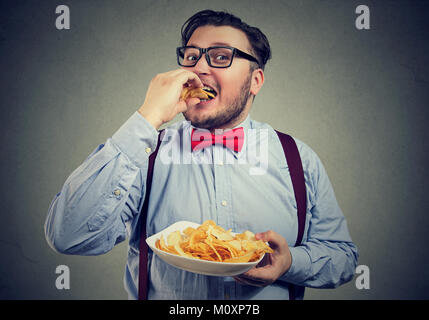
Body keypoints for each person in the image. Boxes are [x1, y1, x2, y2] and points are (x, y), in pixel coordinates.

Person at [45, 9, 358, 300]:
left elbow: (342, 258)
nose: (199, 68)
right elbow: (68, 235)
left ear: (255, 81)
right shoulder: (145, 153)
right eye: (192, 57)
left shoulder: (298, 158)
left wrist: (290, 262)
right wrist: (147, 118)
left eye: (221, 56)